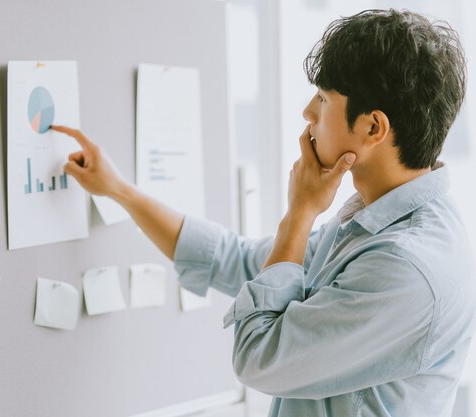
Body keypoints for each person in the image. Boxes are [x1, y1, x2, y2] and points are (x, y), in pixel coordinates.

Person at [51, 8, 475, 417]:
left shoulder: (404, 267)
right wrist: (119, 190)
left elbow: (260, 354)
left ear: (372, 128)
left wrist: (301, 212)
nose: (308, 113)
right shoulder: (374, 222)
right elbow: (234, 260)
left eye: (324, 99)